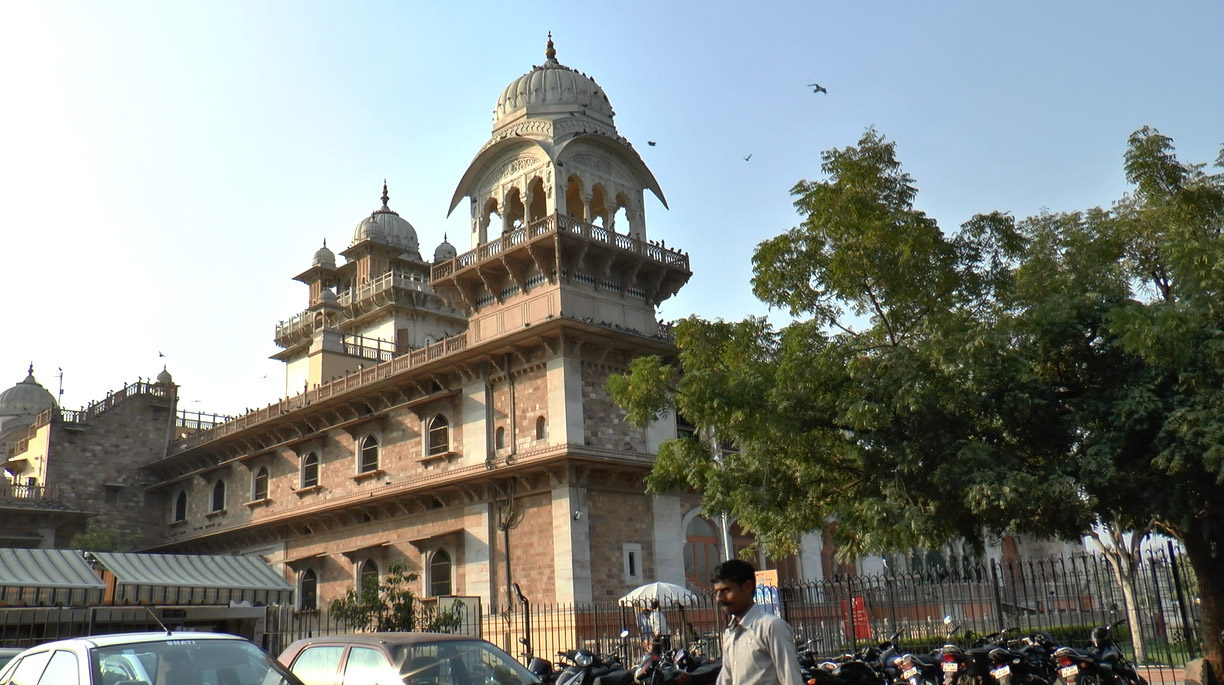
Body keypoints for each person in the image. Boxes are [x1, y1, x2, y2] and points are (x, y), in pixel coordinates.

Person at [712, 559, 804, 685]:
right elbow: (726, 679)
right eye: (717, 592)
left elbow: (791, 678)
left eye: (726, 590)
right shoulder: (730, 633)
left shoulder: (771, 627)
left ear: (748, 586)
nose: (719, 599)